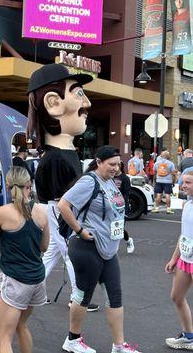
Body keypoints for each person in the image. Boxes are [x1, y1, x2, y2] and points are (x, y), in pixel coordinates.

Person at [26, 63, 98, 312]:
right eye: (79, 94)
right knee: (71, 254)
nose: (87, 103)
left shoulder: (64, 152)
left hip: (60, 209)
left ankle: (31, 289)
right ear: (53, 103)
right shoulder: (54, 157)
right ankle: (79, 298)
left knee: (52, 255)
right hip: (58, 209)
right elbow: (61, 196)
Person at [59, 145, 141, 353]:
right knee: (83, 296)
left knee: (115, 296)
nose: (116, 168)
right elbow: (63, 205)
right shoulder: (89, 181)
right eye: (111, 164)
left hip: (108, 249)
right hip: (87, 246)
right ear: (98, 162)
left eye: (118, 165)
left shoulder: (110, 182)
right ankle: (72, 340)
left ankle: (119, 346)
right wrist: (79, 230)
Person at [0, 166, 49, 353]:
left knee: (2, 338)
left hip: (15, 280)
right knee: (21, 326)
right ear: (29, 185)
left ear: (7, 185)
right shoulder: (41, 211)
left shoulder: (1, 213)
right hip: (37, 279)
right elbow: (44, 247)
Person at [165, 167, 193, 350]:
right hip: (185, 258)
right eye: (183, 182)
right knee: (176, 297)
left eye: (188, 182)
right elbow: (184, 235)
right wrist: (174, 258)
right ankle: (189, 336)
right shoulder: (187, 205)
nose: (183, 186)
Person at [113, 162, 135, 254]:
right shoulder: (110, 177)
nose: (114, 167)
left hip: (121, 206)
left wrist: (120, 202)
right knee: (111, 227)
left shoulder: (125, 178)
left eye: (116, 165)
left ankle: (128, 240)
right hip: (111, 205)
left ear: (120, 167)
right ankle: (112, 249)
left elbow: (127, 193)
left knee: (119, 228)